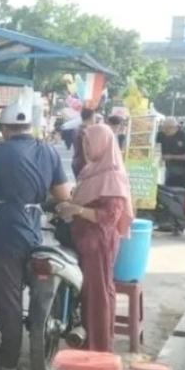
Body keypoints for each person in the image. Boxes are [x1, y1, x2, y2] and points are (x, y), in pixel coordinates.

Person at [0, 102, 71, 370]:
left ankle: (7, 362)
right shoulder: (48, 150)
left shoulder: (1, 152)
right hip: (34, 227)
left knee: (9, 297)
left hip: (6, 228)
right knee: (27, 290)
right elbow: (63, 194)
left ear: (5, 129)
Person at [58, 123, 133, 353]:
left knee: (98, 294)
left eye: (90, 143)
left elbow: (110, 217)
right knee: (88, 293)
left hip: (99, 242)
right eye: (84, 143)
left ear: (104, 144)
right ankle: (88, 341)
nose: (86, 148)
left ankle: (98, 347)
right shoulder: (92, 170)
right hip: (84, 240)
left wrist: (77, 210)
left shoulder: (113, 175)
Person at [156, 117, 185, 189]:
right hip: (163, 169)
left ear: (174, 127)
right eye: (163, 128)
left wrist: (171, 156)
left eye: (167, 129)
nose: (165, 131)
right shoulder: (161, 135)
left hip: (181, 171)